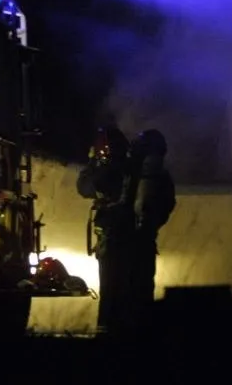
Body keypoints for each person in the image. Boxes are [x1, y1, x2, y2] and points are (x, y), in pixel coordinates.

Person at [76, 126, 134, 334]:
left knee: (110, 287)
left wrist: (93, 163)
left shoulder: (109, 169)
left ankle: (107, 331)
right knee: (124, 287)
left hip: (112, 234)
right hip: (126, 234)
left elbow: (85, 187)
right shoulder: (130, 167)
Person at [127, 129, 176, 331]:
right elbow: (167, 205)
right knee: (143, 290)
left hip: (130, 243)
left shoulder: (134, 173)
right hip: (144, 241)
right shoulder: (161, 177)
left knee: (129, 293)